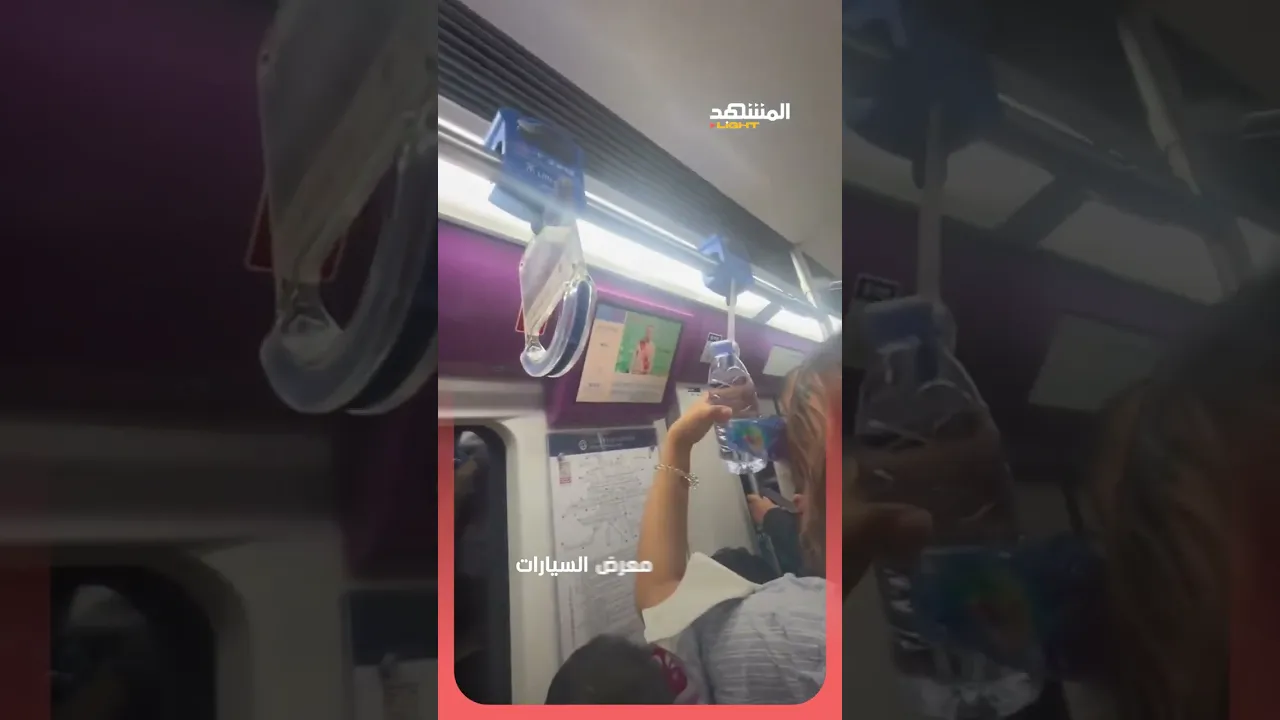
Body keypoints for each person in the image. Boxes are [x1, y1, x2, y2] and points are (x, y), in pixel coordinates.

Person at [630, 332, 845, 704]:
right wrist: (748, 428)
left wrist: (678, 443)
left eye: (809, 478)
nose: (798, 499)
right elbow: (759, 444)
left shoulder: (797, 633)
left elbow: (659, 600)